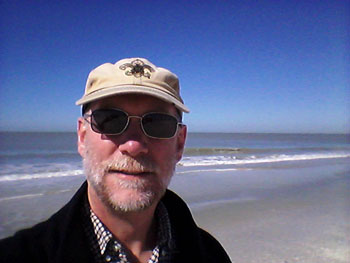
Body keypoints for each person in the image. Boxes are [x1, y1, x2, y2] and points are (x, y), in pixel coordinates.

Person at [0, 58, 231, 263]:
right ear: (82, 137)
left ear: (179, 143)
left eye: (157, 123)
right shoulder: (18, 255)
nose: (133, 146)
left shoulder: (211, 255)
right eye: (110, 120)